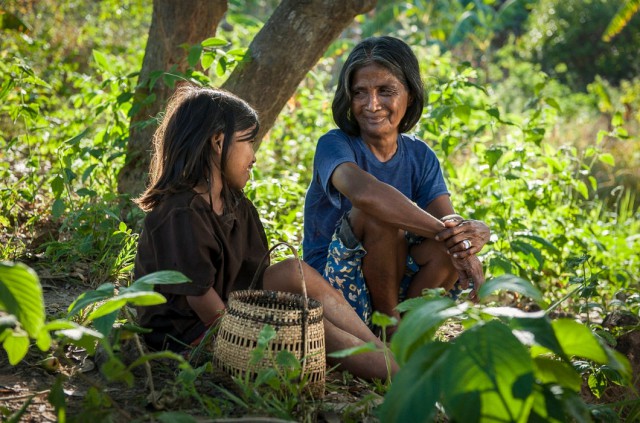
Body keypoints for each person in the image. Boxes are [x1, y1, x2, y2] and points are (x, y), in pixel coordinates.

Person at [133, 83, 396, 380]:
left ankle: (380, 349)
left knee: (294, 271)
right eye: (248, 142)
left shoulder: (236, 204)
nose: (254, 157)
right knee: (309, 327)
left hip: (235, 307)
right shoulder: (180, 213)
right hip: (192, 333)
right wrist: (261, 338)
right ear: (218, 143)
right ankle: (396, 375)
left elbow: (259, 277)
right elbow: (202, 302)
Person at [303, 36, 490, 335]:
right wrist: (453, 238)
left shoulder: (420, 155)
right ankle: (390, 336)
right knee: (378, 213)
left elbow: (446, 219)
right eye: (360, 92)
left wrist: (469, 236)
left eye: (385, 91)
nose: (372, 104)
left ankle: (406, 335)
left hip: (391, 284)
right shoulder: (334, 145)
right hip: (332, 289)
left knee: (445, 250)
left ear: (411, 95)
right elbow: (366, 195)